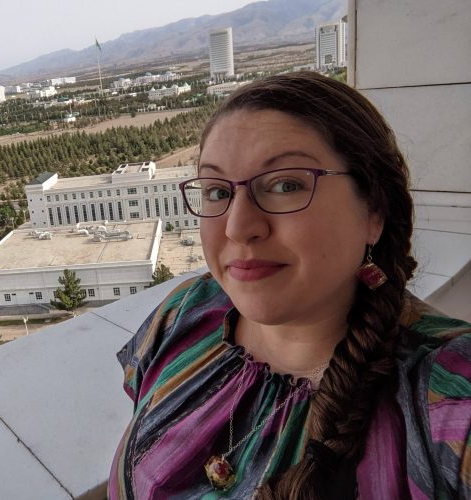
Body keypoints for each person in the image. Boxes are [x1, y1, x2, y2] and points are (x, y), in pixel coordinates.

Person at [108, 72, 471, 499]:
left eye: (286, 184)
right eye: (217, 191)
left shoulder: (449, 399)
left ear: (374, 210)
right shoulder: (186, 316)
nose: (239, 228)